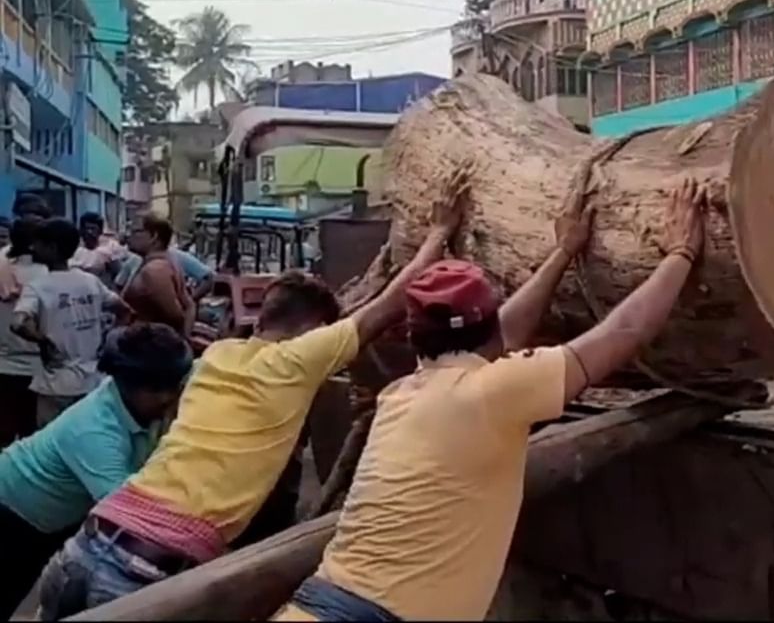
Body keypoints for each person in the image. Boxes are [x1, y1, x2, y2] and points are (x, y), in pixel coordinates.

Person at [34, 173, 470, 619]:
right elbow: (386, 309)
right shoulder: (296, 363)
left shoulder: (218, 356)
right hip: (142, 573)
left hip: (85, 545)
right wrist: (438, 233)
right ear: (312, 333)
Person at [273, 179, 707, 622]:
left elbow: (499, 334)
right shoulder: (494, 393)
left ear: (414, 339)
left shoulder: (401, 396)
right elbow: (622, 333)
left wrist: (563, 254)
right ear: (491, 334)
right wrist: (682, 253)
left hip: (316, 605)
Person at [0, 323, 191, 619]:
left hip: (53, 513)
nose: (172, 398)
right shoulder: (95, 433)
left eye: (176, 386)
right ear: (135, 385)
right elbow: (128, 513)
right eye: (162, 390)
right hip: (14, 510)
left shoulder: (132, 401)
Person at [13, 219, 130, 428]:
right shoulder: (90, 281)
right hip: (92, 382)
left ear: (52, 248)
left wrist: (43, 341)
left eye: (38, 243)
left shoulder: (38, 287)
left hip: (56, 385)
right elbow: (124, 310)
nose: (33, 248)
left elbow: (19, 323)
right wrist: (108, 340)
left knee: (50, 445)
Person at [0, 219, 48, 446]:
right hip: (41, 365)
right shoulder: (49, 273)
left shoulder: (1, 264)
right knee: (33, 436)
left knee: (5, 431)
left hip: (4, 362)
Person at [121, 214, 194, 336]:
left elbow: (175, 316)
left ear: (154, 236)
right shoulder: (164, 262)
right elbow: (189, 305)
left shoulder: (154, 270)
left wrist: (182, 339)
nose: (129, 235)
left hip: (148, 347)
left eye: (136, 231)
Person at [70, 212, 125, 287]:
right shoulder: (73, 248)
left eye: (93, 228)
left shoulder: (110, 248)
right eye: (86, 228)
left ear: (100, 231)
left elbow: (118, 274)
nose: (89, 232)